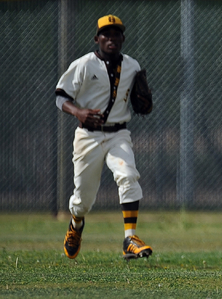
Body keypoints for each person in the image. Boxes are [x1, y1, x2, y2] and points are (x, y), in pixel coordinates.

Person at [55, 14, 153, 260]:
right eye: (106, 34)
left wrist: (144, 102)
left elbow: (139, 99)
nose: (111, 38)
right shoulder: (85, 64)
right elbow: (60, 96)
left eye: (116, 33)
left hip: (118, 133)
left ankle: (130, 238)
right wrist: (79, 111)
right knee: (82, 200)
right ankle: (76, 224)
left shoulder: (132, 65)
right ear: (96, 38)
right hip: (88, 137)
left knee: (128, 175)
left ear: (123, 38)